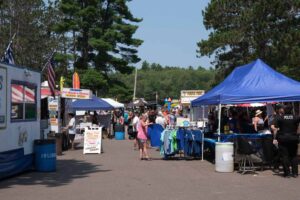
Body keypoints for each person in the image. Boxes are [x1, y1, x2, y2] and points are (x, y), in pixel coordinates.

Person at [273, 104, 300, 177]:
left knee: (285, 156)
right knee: (294, 156)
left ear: (284, 110)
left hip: (283, 138)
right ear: (291, 110)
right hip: (293, 138)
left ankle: (287, 173)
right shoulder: (296, 117)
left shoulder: (280, 118)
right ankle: (295, 173)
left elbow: (275, 127)